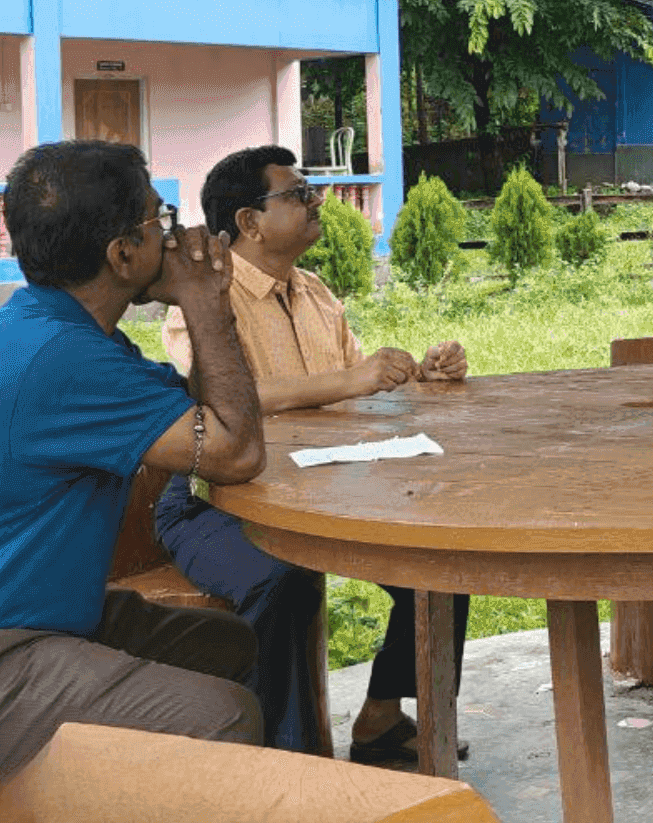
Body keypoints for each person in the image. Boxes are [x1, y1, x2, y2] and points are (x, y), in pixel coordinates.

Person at [156, 146, 472, 766]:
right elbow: (226, 399)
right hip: (214, 502)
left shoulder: (316, 291)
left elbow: (353, 385)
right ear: (249, 221)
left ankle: (382, 715)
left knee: (442, 557)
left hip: (323, 486)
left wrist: (418, 377)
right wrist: (356, 378)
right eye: (298, 194)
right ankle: (282, 757)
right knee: (281, 577)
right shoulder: (202, 303)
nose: (316, 201)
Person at [0, 141, 264, 779]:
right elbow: (236, 450)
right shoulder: (69, 361)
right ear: (123, 254)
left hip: (48, 612)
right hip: (14, 642)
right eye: (160, 223)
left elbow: (205, 413)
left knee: (228, 645)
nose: (173, 241)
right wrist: (205, 300)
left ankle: (277, 812)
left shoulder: (47, 328)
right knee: (223, 717)